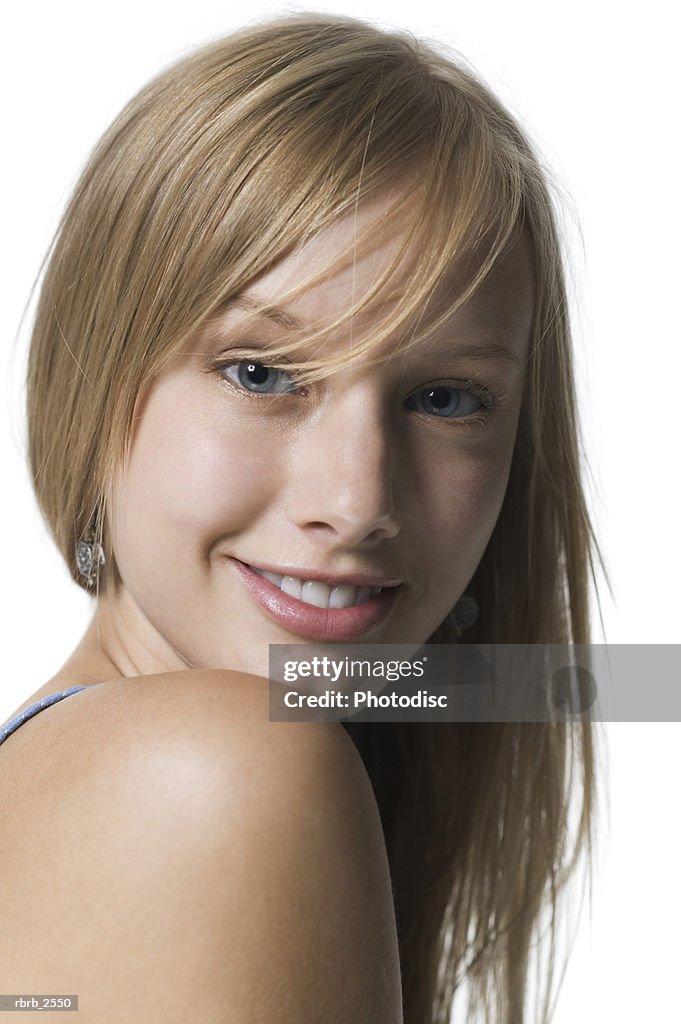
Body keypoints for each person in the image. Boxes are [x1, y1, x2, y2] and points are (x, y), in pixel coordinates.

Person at [0, 13, 605, 1023]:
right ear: (92, 382)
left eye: (446, 398)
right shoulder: (226, 772)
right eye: (263, 373)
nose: (357, 501)